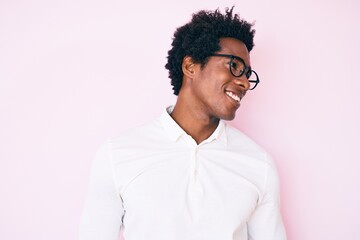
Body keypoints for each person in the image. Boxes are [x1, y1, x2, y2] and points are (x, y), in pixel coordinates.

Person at [79, 7, 287, 240]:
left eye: (247, 74)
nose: (245, 84)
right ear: (190, 67)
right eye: (235, 66)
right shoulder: (117, 155)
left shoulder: (259, 164)